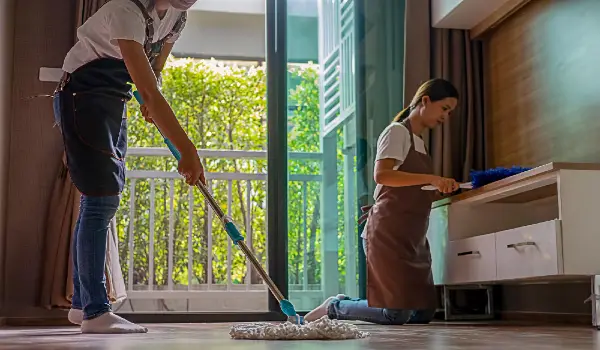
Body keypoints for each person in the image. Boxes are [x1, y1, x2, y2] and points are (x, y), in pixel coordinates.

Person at [52, 0, 204, 334]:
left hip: (113, 98)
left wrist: (152, 97)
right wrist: (187, 149)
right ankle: (95, 312)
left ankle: (82, 306)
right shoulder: (126, 9)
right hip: (82, 96)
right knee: (101, 198)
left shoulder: (178, 17)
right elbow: (147, 90)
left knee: (100, 200)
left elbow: (153, 76)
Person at [304, 78, 460, 325]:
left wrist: (439, 188)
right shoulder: (396, 132)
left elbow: (412, 187)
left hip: (412, 237)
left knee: (423, 314)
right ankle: (334, 306)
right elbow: (383, 175)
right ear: (426, 101)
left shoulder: (420, 143)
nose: (446, 116)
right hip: (387, 233)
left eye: (450, 112)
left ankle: (352, 305)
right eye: (444, 108)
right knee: (395, 314)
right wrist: (433, 177)